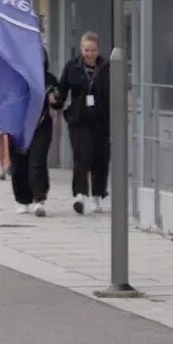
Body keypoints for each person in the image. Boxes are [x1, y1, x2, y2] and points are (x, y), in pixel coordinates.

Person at [54, 32, 110, 214]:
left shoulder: (106, 68)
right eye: (86, 50)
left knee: (100, 159)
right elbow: (62, 90)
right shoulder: (73, 67)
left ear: (98, 50)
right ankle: (79, 194)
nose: (90, 54)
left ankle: (97, 195)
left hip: (101, 120)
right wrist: (56, 102)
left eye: (93, 50)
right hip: (79, 120)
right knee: (81, 157)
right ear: (81, 49)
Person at [10, 49, 59, 216]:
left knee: (37, 161)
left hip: (41, 124)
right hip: (18, 126)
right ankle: (22, 199)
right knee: (19, 163)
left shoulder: (48, 79)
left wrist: (54, 98)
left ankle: (39, 198)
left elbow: (57, 98)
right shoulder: (15, 78)